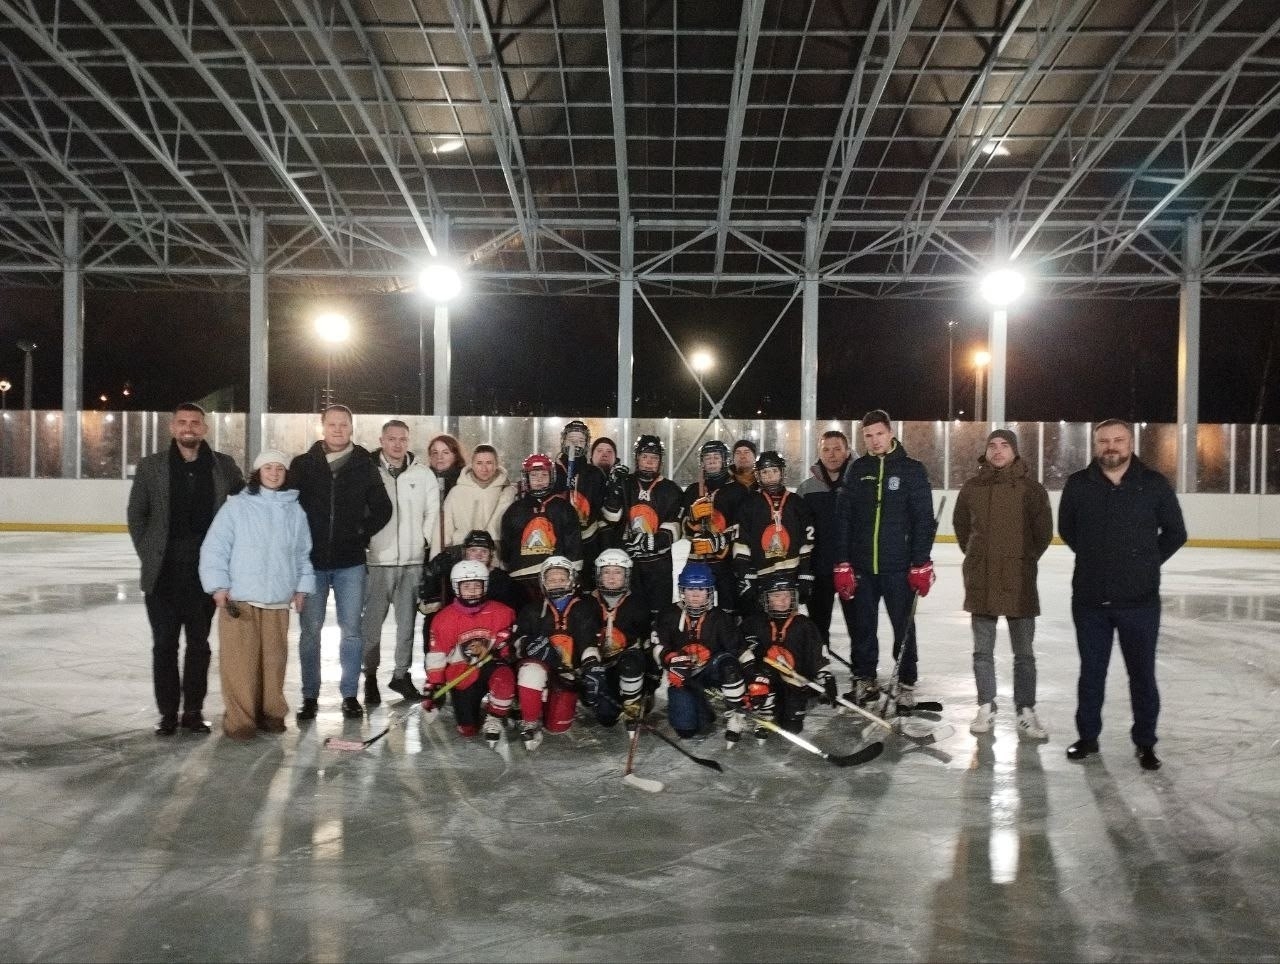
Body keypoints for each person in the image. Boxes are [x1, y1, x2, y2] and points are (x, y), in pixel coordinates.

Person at [1058, 418, 1186, 771]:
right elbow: (1067, 529)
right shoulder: (1079, 484)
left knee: (1142, 675)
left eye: (1118, 440)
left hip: (1139, 602)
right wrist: (1095, 557)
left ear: (1131, 443)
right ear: (1095, 444)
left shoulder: (1153, 484)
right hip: (1090, 601)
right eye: (1104, 441)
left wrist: (1146, 561)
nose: (1111, 446)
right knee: (1092, 674)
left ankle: (1145, 743)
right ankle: (1087, 738)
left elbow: (1176, 532)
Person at [127, 402, 243, 735]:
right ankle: (167, 714)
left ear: (204, 428)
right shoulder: (151, 466)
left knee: (199, 645)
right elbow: (137, 515)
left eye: (194, 422)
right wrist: (150, 553)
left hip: (204, 574)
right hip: (163, 575)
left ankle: (192, 712)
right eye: (182, 422)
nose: (188, 427)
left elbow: (247, 501)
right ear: (172, 427)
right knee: (164, 645)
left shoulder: (223, 465)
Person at [198, 450, 314, 740]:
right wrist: (218, 586)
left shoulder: (295, 511)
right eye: (268, 468)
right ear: (257, 472)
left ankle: (272, 713)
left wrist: (302, 587)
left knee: (274, 663)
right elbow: (215, 548)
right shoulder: (237, 507)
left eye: (279, 469)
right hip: (241, 599)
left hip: (277, 600)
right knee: (240, 664)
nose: (274, 473)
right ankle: (241, 720)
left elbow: (302, 553)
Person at [290, 405, 393, 721]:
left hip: (350, 563)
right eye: (332, 424)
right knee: (310, 632)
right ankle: (310, 696)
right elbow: (289, 507)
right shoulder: (303, 464)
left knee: (351, 631)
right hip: (312, 563)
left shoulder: (364, 464)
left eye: (343, 424)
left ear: (351, 428)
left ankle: (350, 695)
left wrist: (360, 533)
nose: (338, 429)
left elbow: (383, 508)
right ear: (322, 427)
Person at [831, 410, 937, 709]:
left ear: (890, 433)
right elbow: (844, 519)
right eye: (868, 436)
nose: (875, 440)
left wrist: (921, 562)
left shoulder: (911, 469)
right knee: (862, 627)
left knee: (904, 628)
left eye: (879, 434)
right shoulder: (857, 469)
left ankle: (905, 682)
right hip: (862, 566)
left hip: (899, 568)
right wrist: (842, 562)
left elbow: (924, 520)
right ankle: (865, 679)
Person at [953, 429, 1053, 739]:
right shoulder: (972, 488)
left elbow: (1042, 535)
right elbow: (961, 528)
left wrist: (1020, 559)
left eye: (1004, 445)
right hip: (981, 578)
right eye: (992, 446)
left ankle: (1026, 710)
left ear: (1015, 451)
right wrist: (978, 557)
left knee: (1024, 653)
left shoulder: (1032, 490)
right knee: (982, 651)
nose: (998, 451)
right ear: (986, 451)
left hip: (1018, 579)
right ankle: (986, 705)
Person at [361, 419, 438, 707]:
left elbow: (432, 511)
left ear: (408, 441)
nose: (397, 444)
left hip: (411, 562)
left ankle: (401, 675)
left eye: (402, 439)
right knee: (371, 627)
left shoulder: (423, 474)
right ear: (381, 440)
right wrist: (365, 542)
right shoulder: (369, 471)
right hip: (377, 562)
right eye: (391, 438)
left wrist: (423, 541)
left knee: (407, 626)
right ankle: (370, 676)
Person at [511, 556, 603, 750]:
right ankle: (530, 721)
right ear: (543, 582)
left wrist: (591, 664)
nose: (557, 583)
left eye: (561, 578)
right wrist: (527, 644)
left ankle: (573, 699)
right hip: (542, 668)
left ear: (571, 580)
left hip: (570, 673)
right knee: (530, 671)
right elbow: (517, 641)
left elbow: (588, 641)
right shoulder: (531, 609)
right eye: (551, 579)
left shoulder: (584, 608)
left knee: (557, 726)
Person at [653, 562, 748, 747]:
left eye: (701, 589)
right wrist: (671, 660)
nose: (695, 595)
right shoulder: (668, 614)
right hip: (683, 676)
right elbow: (658, 647)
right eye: (690, 589)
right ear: (682, 590)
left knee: (729, 666)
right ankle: (702, 706)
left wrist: (751, 679)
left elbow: (738, 650)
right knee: (685, 729)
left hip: (711, 671)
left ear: (710, 591)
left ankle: (736, 716)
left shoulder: (720, 617)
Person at [424, 559, 518, 746]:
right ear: (456, 587)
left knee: (504, 677)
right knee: (467, 729)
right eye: (467, 586)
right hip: (462, 673)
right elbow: (437, 654)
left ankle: (495, 716)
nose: (473, 591)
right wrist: (434, 684)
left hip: (491, 666)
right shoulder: (444, 618)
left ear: (485, 586)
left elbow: (512, 640)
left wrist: (506, 647)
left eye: (477, 585)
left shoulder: (503, 612)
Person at [739, 573, 836, 741]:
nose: (783, 600)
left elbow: (817, 654)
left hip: (794, 681)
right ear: (766, 599)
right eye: (777, 596)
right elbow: (741, 650)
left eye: (787, 595)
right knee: (761, 680)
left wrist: (825, 676)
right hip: (765, 679)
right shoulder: (753, 623)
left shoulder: (804, 624)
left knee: (792, 727)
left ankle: (780, 706)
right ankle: (765, 710)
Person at [600, 434, 683, 617]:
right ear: (637, 458)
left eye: (654, 458)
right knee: (630, 614)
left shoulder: (671, 489)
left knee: (658, 615)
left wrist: (651, 542)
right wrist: (614, 488)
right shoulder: (625, 482)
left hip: (658, 565)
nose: (649, 462)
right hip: (627, 562)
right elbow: (612, 518)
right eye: (645, 456)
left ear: (660, 461)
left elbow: (675, 527)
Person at [796, 429, 857, 650]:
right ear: (819, 453)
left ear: (847, 451)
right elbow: (799, 532)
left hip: (852, 568)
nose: (832, 455)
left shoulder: (860, 483)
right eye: (826, 449)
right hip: (819, 570)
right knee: (818, 628)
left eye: (837, 449)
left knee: (860, 627)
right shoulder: (806, 489)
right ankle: (820, 664)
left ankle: (863, 667)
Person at [733, 450, 815, 613]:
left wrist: (805, 573)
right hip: (760, 576)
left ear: (782, 472)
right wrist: (746, 573)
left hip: (791, 577)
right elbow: (741, 542)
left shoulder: (797, 503)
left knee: (788, 619)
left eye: (774, 471)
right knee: (761, 622)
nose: (770, 476)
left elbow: (807, 541)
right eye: (764, 472)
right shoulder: (749, 505)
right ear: (758, 475)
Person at [680, 440, 751, 615]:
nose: (711, 461)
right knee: (697, 610)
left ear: (724, 460)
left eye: (716, 457)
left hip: (726, 563)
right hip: (697, 561)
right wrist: (691, 520)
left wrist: (719, 542)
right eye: (707, 457)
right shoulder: (692, 490)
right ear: (702, 462)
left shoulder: (738, 490)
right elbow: (683, 530)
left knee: (728, 612)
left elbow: (744, 527)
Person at [585, 548, 654, 727]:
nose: (611, 577)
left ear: (627, 575)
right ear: (598, 575)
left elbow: (648, 641)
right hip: (601, 665)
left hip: (628, 662)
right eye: (606, 572)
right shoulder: (587, 604)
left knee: (631, 663)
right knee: (606, 718)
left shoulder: (638, 604)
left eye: (617, 572)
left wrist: (651, 679)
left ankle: (633, 701)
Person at [500, 453, 582, 599]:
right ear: (526, 478)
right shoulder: (514, 510)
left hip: (555, 580)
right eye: (534, 475)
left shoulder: (564, 508)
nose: (539, 480)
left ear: (552, 477)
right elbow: (507, 547)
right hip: (521, 581)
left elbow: (573, 547)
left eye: (544, 475)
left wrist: (574, 576)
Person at [553, 419, 608, 588]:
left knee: (585, 586)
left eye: (580, 440)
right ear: (563, 440)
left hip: (587, 539)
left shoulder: (594, 473)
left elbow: (599, 508)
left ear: (586, 444)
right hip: (557, 539)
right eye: (571, 439)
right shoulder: (552, 470)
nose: (575, 444)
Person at [419, 529, 523, 615]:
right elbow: (427, 607)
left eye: (484, 551)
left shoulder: (504, 580)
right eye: (473, 550)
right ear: (465, 552)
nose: (478, 555)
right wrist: (432, 574)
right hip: (458, 626)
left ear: (491, 554)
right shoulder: (451, 575)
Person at [441, 443, 515, 550]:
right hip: (462, 553)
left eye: (489, 463)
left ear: (496, 464)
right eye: (479, 463)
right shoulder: (456, 493)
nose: (484, 468)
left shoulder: (508, 492)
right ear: (472, 464)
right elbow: (444, 531)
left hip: (496, 553)